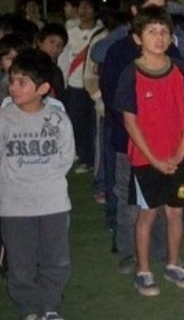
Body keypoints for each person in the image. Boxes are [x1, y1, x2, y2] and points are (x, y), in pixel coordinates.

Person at [115, 7, 184, 296]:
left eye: (164, 31)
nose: (159, 37)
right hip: (146, 160)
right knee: (147, 214)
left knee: (176, 213)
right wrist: (153, 159)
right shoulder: (131, 74)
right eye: (151, 31)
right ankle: (143, 270)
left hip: (179, 157)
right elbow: (130, 121)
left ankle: (173, 264)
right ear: (138, 38)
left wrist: (179, 153)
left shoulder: (181, 69)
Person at [0, 49, 75, 320]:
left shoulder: (57, 119)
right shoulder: (4, 118)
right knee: (21, 263)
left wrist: (41, 178)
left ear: (42, 88)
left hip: (52, 203)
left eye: (22, 82)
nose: (13, 87)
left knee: (56, 259)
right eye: (12, 80)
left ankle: (50, 304)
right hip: (14, 205)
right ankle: (29, 307)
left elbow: (66, 156)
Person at [58, 0, 104, 174]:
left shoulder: (101, 33)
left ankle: (97, 159)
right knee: (78, 123)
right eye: (81, 7)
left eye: (88, 7)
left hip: (96, 86)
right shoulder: (70, 33)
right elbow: (63, 59)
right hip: (75, 86)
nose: (83, 11)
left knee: (96, 124)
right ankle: (86, 158)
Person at [35, 23, 68, 98]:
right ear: (39, 41)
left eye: (59, 45)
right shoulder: (27, 64)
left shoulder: (56, 72)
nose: (55, 48)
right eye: (51, 42)